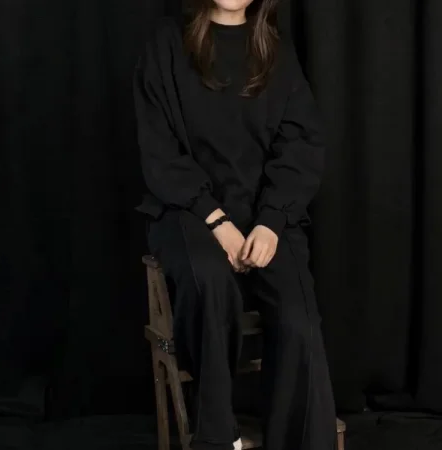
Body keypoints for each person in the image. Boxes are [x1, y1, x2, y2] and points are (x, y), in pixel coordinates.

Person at [133, 1, 337, 449]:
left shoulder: (276, 52)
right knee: (210, 282)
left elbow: (301, 144)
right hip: (188, 211)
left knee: (299, 321)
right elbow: (159, 149)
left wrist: (272, 220)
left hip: (264, 216)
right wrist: (216, 220)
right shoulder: (166, 45)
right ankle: (217, 437)